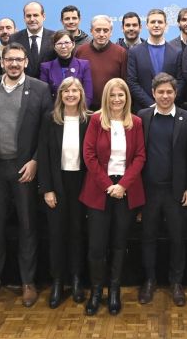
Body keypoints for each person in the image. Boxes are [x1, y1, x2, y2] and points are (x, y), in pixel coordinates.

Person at [0, 43, 52, 308]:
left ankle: (28, 282)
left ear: (26, 62)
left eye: (18, 60)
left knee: (28, 227)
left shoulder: (40, 89)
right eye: (9, 60)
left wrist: (35, 161)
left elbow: (46, 131)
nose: (14, 64)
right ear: (2, 62)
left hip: (25, 169)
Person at [80, 78, 146, 316]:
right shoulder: (96, 120)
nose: (117, 100)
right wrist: (108, 185)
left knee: (119, 245)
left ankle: (114, 291)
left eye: (121, 95)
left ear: (127, 98)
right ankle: (96, 292)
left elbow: (140, 157)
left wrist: (123, 185)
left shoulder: (136, 122)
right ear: (106, 98)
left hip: (126, 190)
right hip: (99, 188)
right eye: (112, 95)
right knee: (97, 246)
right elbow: (88, 155)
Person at [137, 72, 187, 307]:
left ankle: (176, 283)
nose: (164, 96)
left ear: (175, 93)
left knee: (177, 239)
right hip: (149, 190)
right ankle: (149, 281)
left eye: (169, 92)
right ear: (153, 93)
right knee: (148, 238)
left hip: (177, 192)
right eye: (160, 92)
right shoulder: (142, 117)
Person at [37, 77, 91, 308]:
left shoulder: (89, 120)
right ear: (60, 95)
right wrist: (47, 189)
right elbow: (44, 156)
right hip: (56, 184)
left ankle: (77, 280)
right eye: (66, 90)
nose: (70, 94)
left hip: (81, 183)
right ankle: (58, 281)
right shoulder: (50, 120)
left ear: (81, 95)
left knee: (78, 233)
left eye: (75, 90)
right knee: (57, 235)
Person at [127, 8, 184, 112]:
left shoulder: (177, 52)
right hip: (143, 110)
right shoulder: (134, 52)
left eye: (160, 22)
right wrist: (151, 104)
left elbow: (180, 81)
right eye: (153, 22)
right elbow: (132, 82)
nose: (156, 25)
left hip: (169, 108)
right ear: (146, 25)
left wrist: (167, 101)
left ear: (166, 26)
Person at [74, 15, 128, 110]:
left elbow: (124, 84)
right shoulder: (80, 51)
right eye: (98, 30)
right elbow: (75, 82)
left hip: (112, 109)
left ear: (111, 32)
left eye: (106, 30)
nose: (102, 34)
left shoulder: (121, 53)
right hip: (85, 109)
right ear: (91, 31)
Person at [39, 30, 93, 105]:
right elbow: (44, 96)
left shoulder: (84, 65)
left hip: (79, 113)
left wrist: (79, 112)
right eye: (59, 43)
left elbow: (88, 95)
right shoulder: (46, 67)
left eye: (67, 43)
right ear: (54, 47)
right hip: (54, 113)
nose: (63, 46)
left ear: (73, 44)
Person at [8, 1, 56, 78]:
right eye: (28, 16)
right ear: (24, 18)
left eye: (35, 15)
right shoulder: (14, 38)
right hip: (23, 86)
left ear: (44, 16)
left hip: (48, 86)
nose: (32, 19)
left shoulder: (54, 37)